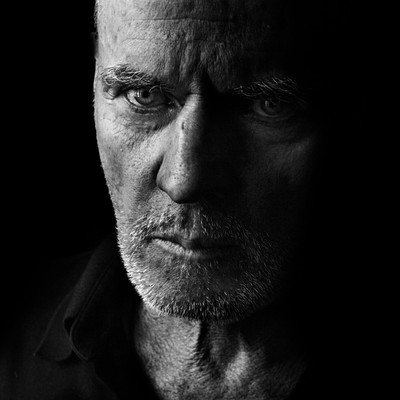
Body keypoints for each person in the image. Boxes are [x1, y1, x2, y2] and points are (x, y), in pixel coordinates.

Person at [1, 0, 363, 399]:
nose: (184, 181)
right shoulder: (14, 331)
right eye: (143, 95)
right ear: (94, 71)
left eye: (268, 105)